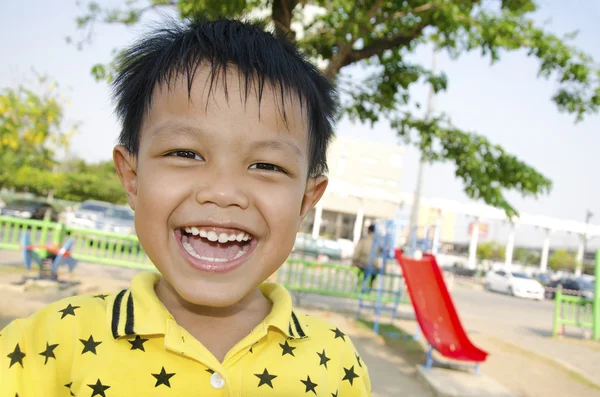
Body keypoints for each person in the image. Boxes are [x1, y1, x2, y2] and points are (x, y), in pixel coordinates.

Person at [0, 18, 371, 396]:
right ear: (132, 178)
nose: (223, 192)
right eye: (185, 153)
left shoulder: (336, 361)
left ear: (307, 200)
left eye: (266, 165)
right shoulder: (43, 347)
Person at [352, 225, 379, 290]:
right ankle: (369, 289)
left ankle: (359, 290)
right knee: (371, 278)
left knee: (361, 278)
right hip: (373, 265)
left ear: (369, 230)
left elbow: (357, 251)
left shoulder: (364, 240)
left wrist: (354, 262)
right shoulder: (378, 242)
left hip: (362, 264)